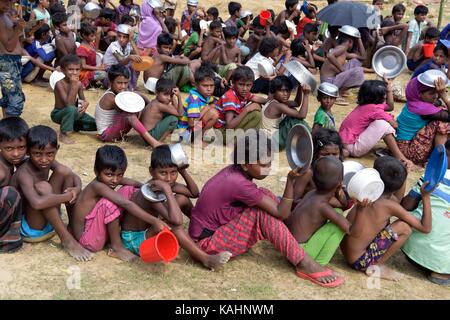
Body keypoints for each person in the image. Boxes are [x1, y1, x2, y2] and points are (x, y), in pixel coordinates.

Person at [188, 132, 344, 288]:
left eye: (270, 163)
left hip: (212, 232)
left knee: (266, 194)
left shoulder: (235, 172)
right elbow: (282, 213)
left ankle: (287, 240)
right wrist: (290, 182)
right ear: (244, 164)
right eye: (263, 164)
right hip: (207, 244)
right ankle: (304, 262)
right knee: (261, 213)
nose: (268, 168)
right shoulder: (238, 183)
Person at [120, 145, 232, 268]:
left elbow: (194, 193)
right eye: (163, 173)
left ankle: (201, 229)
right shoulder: (150, 191)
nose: (168, 178)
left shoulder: (165, 183)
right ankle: (206, 259)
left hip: (149, 229)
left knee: (182, 198)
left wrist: (183, 170)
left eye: (173, 172)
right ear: (151, 171)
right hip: (135, 240)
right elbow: (177, 221)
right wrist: (167, 189)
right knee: (172, 225)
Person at [341, 156, 432, 281]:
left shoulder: (366, 194)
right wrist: (425, 196)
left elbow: (397, 199)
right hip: (360, 261)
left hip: (346, 252)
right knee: (405, 227)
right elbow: (425, 228)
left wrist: (403, 175)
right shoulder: (390, 205)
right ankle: (375, 266)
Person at [70, 145, 166, 261]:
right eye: (109, 174)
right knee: (109, 204)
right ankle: (117, 247)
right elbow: (126, 204)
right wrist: (154, 220)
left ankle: (124, 234)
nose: (115, 180)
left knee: (128, 189)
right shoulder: (97, 186)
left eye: (120, 174)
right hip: (88, 239)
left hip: (96, 230)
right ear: (96, 171)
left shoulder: (110, 180)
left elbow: (130, 182)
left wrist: (146, 188)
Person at [12, 125, 93, 261]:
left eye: (50, 154)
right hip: (32, 228)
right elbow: (37, 204)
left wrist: (77, 188)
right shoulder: (24, 172)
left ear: (56, 150)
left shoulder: (47, 158)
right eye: (37, 154)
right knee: (43, 187)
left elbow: (71, 174)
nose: (44, 160)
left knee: (63, 172)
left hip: (49, 220)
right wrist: (67, 196)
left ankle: (73, 227)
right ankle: (67, 239)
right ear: (28, 152)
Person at [401, 139, 450, 286]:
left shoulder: (430, 178)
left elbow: (406, 205)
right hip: (439, 264)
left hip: (409, 248)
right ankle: (440, 271)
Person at [285, 156, 351, 266]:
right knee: (339, 226)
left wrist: (339, 190)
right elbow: (349, 229)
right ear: (340, 183)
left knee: (338, 212)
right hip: (301, 254)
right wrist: (360, 209)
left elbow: (342, 205)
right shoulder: (323, 206)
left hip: (289, 246)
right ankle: (318, 264)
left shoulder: (312, 194)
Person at [339, 79, 413, 169]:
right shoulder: (375, 110)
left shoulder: (367, 105)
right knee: (383, 124)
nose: (386, 96)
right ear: (378, 98)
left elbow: (390, 107)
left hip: (345, 143)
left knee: (383, 124)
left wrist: (389, 89)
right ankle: (401, 158)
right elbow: (395, 125)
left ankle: (399, 156)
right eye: (384, 95)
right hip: (353, 147)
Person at [95, 64, 161, 148]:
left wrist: (150, 105)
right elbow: (130, 113)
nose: (123, 86)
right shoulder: (110, 98)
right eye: (119, 83)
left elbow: (136, 97)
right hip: (106, 135)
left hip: (114, 129)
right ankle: (153, 142)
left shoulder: (120, 93)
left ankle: (146, 131)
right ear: (110, 82)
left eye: (126, 83)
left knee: (136, 97)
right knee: (130, 115)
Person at [396, 71, 450, 166]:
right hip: (409, 150)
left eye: (437, 93)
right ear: (419, 94)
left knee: (443, 110)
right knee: (442, 123)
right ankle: (438, 160)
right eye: (431, 93)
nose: (436, 96)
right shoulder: (422, 109)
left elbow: (437, 103)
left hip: (403, 145)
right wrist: (445, 98)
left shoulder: (415, 101)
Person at [51, 54, 97, 144]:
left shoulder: (78, 84)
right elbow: (67, 104)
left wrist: (85, 104)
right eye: (70, 69)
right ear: (63, 70)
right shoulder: (59, 84)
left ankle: (75, 125)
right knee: (71, 109)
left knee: (97, 125)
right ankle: (63, 134)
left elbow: (81, 101)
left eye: (77, 69)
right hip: (59, 113)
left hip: (74, 112)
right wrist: (73, 85)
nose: (74, 73)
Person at [0, 117, 28, 253]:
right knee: (10, 194)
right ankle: (5, 239)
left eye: (21, 147)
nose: (16, 153)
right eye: (9, 148)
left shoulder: (13, 159)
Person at [215, 66, 266, 140]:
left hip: (228, 129)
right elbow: (229, 125)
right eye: (241, 84)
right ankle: (239, 140)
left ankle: (248, 137)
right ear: (233, 83)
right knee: (255, 114)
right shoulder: (230, 97)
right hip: (222, 132)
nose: (245, 89)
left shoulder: (243, 93)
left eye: (248, 85)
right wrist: (247, 110)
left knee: (256, 108)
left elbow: (255, 98)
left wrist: (271, 101)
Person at [261, 76, 310, 150]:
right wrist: (306, 95)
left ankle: (309, 137)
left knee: (293, 110)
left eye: (288, 91)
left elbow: (296, 103)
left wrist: (300, 87)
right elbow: (302, 115)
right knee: (295, 119)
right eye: (282, 91)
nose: (285, 94)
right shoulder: (277, 105)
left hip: (269, 139)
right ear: (274, 91)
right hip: (271, 142)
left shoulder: (276, 101)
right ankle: (311, 137)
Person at [320, 26, 366, 105]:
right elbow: (330, 55)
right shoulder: (342, 48)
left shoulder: (344, 51)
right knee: (359, 70)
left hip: (333, 80)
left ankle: (340, 91)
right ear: (350, 42)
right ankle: (337, 94)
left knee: (356, 62)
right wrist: (341, 68)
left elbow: (362, 57)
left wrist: (359, 38)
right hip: (328, 82)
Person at [177, 66, 219, 145]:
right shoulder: (194, 99)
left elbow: (217, 101)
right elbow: (191, 123)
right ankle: (197, 139)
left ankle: (199, 136)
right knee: (213, 113)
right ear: (196, 85)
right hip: (185, 133)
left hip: (191, 130)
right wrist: (208, 108)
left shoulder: (205, 96)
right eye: (205, 86)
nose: (209, 89)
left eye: (211, 85)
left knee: (215, 109)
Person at [0, 0, 26, 117]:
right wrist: (18, 29)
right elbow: (9, 46)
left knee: (8, 95)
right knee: (15, 98)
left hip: (9, 62)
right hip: (6, 63)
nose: (8, 5)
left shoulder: (4, 16)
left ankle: (5, 129)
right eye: (5, 2)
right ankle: (10, 132)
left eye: (10, 2)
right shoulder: (1, 19)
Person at [103, 24, 142, 91]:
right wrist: (130, 57)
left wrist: (131, 40)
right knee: (128, 66)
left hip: (119, 69)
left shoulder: (129, 45)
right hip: (110, 70)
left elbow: (138, 56)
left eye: (125, 37)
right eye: (119, 36)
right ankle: (127, 87)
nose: (121, 39)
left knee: (135, 64)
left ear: (129, 38)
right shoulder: (113, 45)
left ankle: (132, 86)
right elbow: (121, 61)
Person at [77, 23, 107, 89]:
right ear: (84, 36)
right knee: (103, 74)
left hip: (92, 69)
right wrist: (99, 68)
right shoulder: (82, 49)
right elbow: (83, 66)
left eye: (94, 35)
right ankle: (86, 83)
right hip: (84, 73)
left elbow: (96, 50)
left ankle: (93, 83)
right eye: (92, 36)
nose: (94, 37)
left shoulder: (91, 44)